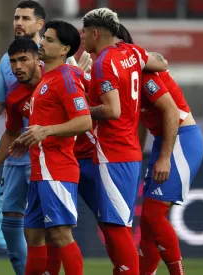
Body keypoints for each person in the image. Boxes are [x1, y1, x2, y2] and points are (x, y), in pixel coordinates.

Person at [117, 25, 203, 275]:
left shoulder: (144, 74)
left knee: (154, 216)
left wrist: (164, 157)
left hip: (180, 139)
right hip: (164, 141)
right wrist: (136, 156)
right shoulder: (131, 77)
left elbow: (172, 111)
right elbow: (142, 122)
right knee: (147, 221)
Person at [8, 20, 90, 275]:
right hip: (39, 169)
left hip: (57, 167)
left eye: (50, 40)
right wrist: (27, 139)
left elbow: (84, 120)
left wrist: (46, 131)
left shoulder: (65, 77)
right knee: (32, 233)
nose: (42, 42)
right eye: (44, 38)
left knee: (60, 233)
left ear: (65, 49)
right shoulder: (48, 79)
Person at [81, 8, 148, 274]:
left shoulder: (103, 63)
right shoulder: (131, 52)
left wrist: (82, 110)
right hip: (129, 150)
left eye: (84, 32)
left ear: (95, 33)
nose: (82, 38)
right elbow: (159, 61)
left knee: (116, 227)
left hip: (114, 151)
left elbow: (112, 110)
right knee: (116, 224)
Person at [0, 1, 46, 273]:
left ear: (40, 24)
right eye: (16, 17)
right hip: (18, 150)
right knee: (10, 220)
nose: (19, 22)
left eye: (26, 18)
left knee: (51, 227)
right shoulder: (6, 62)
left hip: (49, 152)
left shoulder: (59, 56)